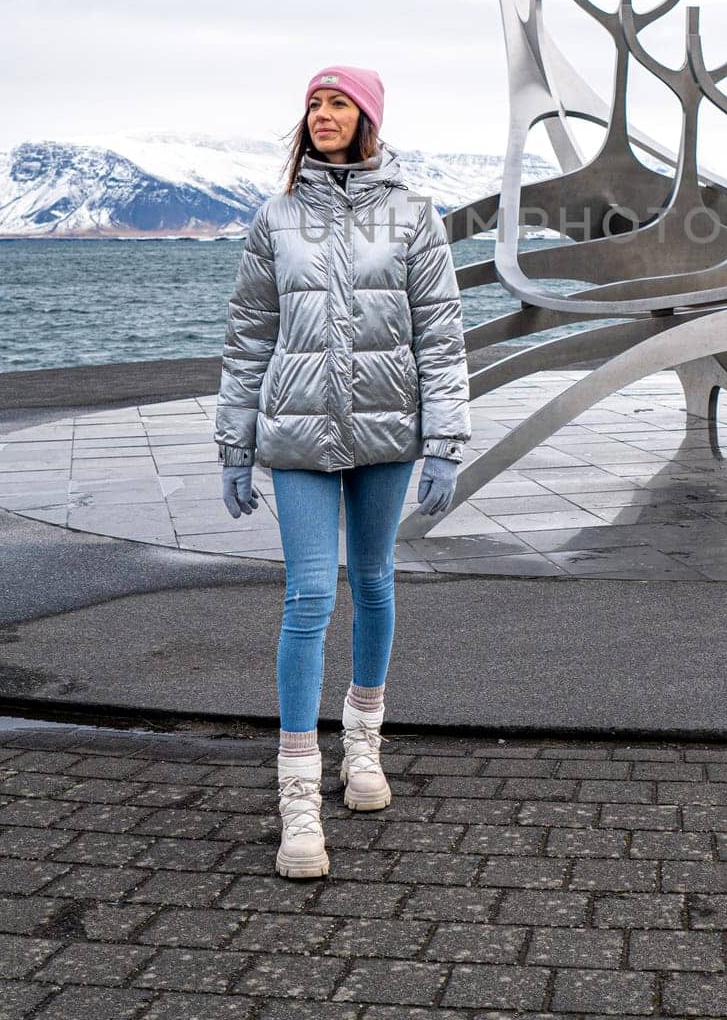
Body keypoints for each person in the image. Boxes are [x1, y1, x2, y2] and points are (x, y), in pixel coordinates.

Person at [213, 64, 470, 879]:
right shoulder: (276, 218)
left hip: (388, 431)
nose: (322, 114)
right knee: (309, 595)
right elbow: (250, 333)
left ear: (366, 117)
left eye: (337, 103)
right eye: (314, 104)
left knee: (375, 580)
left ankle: (364, 750)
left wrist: (446, 439)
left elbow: (440, 331)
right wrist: (234, 441)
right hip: (295, 435)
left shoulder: (413, 216)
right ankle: (296, 796)